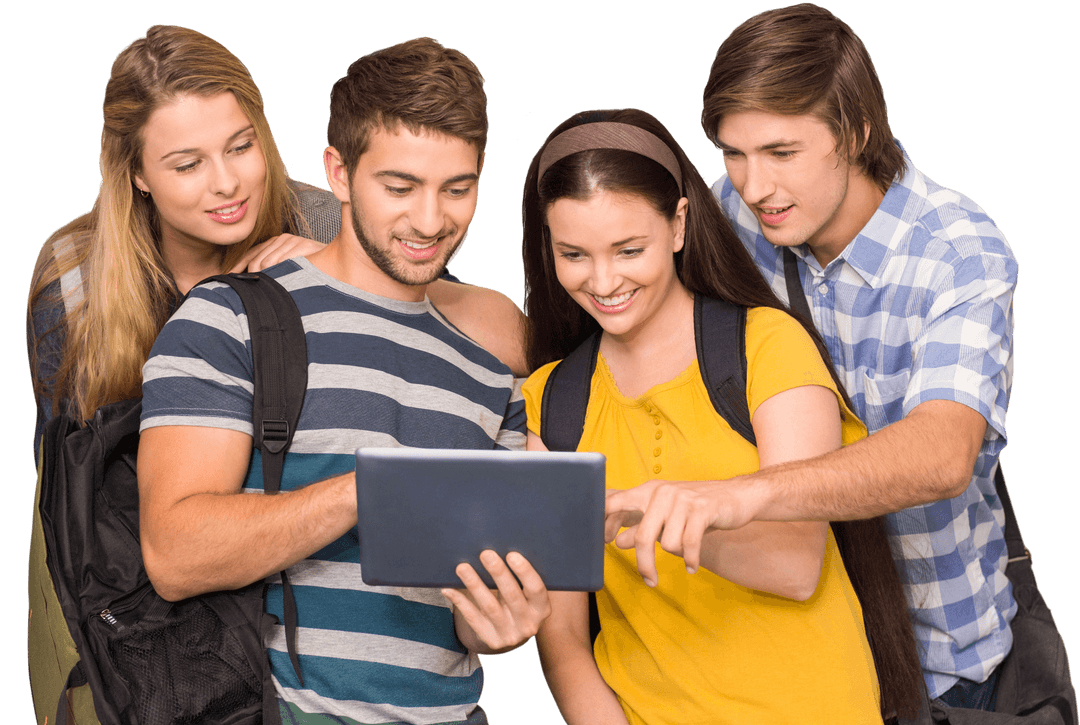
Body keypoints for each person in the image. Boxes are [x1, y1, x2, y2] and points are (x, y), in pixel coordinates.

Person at [607, 3, 1018, 711]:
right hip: (793, 657)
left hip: (941, 663)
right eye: (733, 153)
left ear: (856, 133)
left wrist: (742, 494)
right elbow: (620, 299)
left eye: (781, 152)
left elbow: (943, 452)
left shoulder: (959, 252)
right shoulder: (732, 216)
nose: (754, 184)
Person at [137, 37, 550, 725]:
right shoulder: (231, 314)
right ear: (337, 171)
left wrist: (500, 619)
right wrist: (367, 491)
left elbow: (470, 617)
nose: (430, 220)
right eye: (399, 186)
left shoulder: (490, 362)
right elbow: (174, 551)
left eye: (458, 187)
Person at [521, 108, 920, 724]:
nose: (603, 281)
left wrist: (635, 514)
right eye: (574, 254)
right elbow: (565, 644)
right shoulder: (550, 404)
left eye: (630, 250)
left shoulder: (767, 346)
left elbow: (793, 566)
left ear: (679, 224)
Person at [26, 25, 525, 464]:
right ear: (137, 173)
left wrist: (335, 271)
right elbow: (66, 483)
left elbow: (440, 312)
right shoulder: (75, 279)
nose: (226, 183)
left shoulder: (323, 221)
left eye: (241, 147)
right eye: (187, 165)